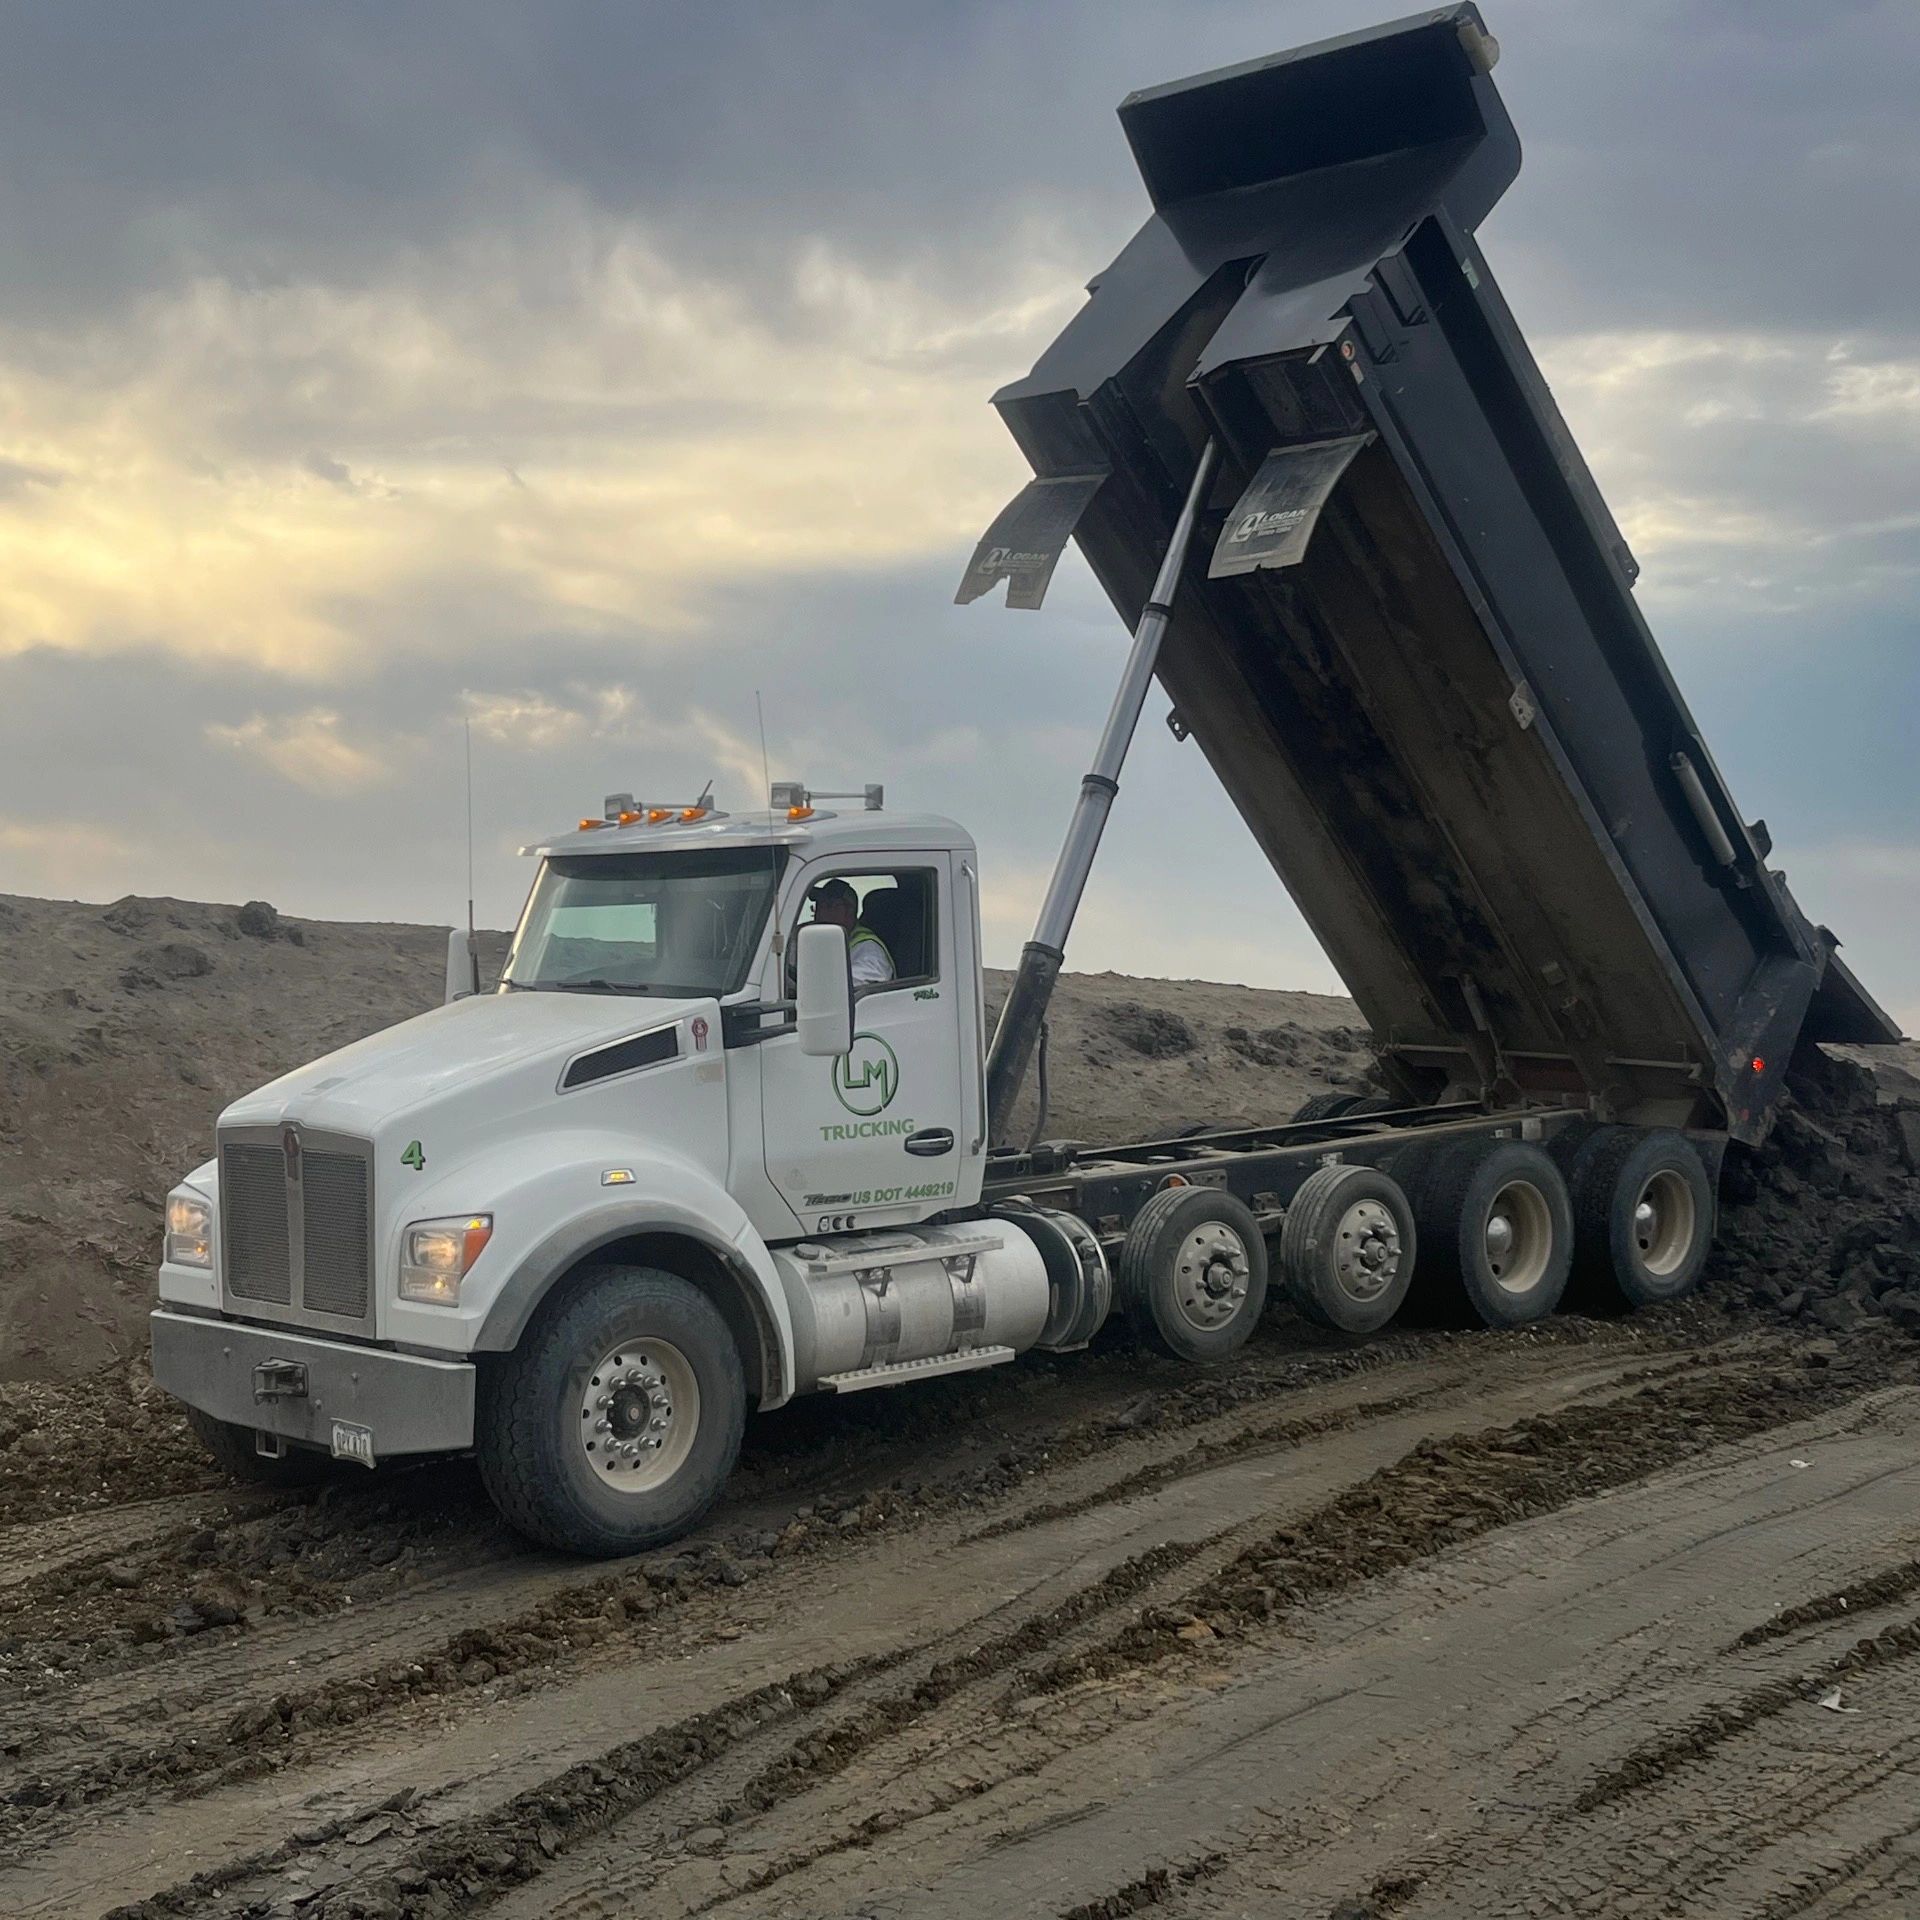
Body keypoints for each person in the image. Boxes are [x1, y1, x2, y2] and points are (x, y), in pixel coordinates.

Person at [808, 878, 895, 987]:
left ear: (850, 910)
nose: (819, 913)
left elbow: (866, 978)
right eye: (818, 906)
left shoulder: (868, 948)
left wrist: (813, 985)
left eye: (828, 906)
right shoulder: (827, 940)